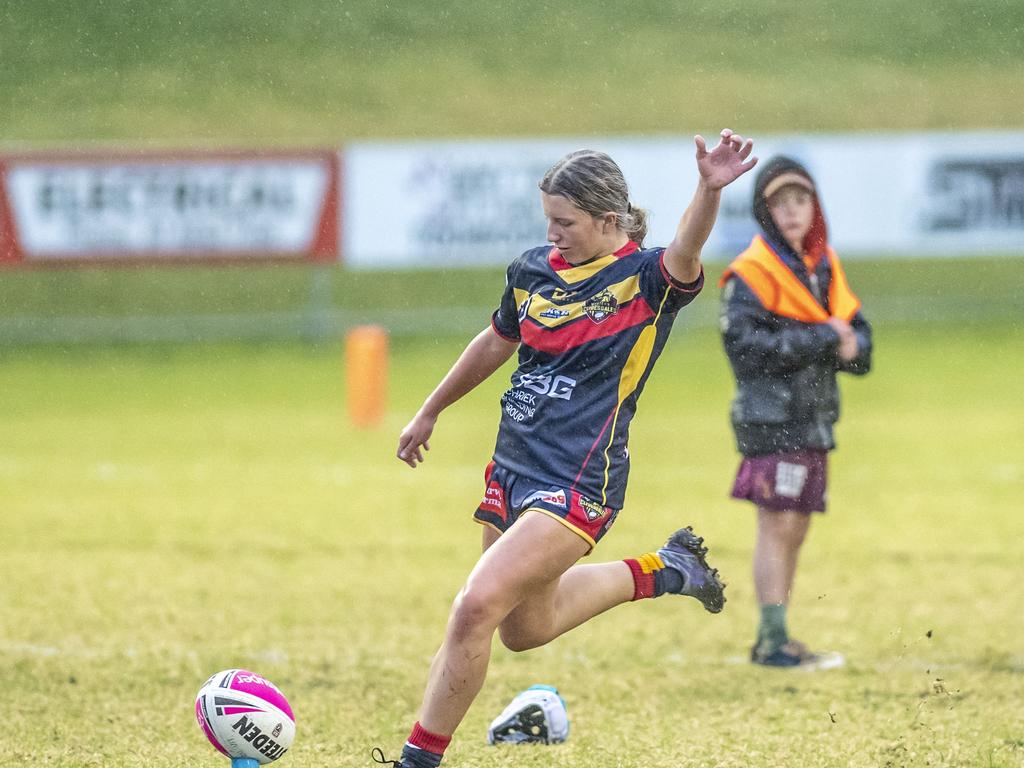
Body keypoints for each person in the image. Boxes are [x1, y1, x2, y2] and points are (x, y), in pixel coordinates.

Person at [372, 129, 757, 768]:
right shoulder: (530, 272)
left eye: (565, 222)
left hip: (578, 481)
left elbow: (688, 248)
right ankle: (667, 569)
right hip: (511, 469)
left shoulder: (645, 279)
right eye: (547, 220)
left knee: (474, 608)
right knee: (525, 629)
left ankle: (418, 759)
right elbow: (495, 342)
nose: (553, 233)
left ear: (609, 219)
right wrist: (431, 409)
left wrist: (707, 189)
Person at [718, 155, 873, 669]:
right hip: (771, 419)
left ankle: (779, 634)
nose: (791, 212)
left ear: (815, 206)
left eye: (800, 200)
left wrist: (852, 346)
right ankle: (771, 639)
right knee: (777, 526)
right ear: (764, 211)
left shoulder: (822, 265)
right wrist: (827, 338)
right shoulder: (752, 273)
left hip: (813, 418)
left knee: (797, 526)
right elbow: (745, 347)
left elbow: (857, 332)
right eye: (779, 203)